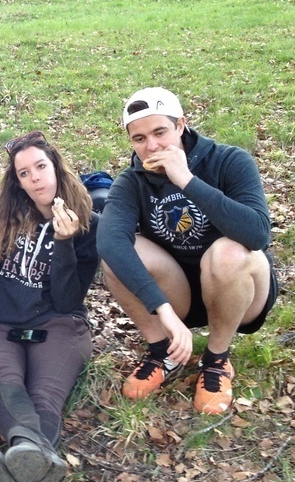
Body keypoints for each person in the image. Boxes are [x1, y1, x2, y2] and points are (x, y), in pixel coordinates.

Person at [96, 87, 277, 414]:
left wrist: (186, 180)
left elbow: (257, 234)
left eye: (160, 132)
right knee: (118, 255)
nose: (152, 146)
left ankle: (217, 359)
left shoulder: (229, 160)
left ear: (181, 125)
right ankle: (162, 351)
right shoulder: (132, 182)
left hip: (238, 293)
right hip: (176, 295)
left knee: (229, 252)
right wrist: (162, 309)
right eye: (139, 138)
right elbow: (109, 242)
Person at [0, 133, 99, 482]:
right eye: (24, 173)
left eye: (41, 167)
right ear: (17, 181)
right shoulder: (5, 210)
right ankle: (34, 460)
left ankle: (21, 466)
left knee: (45, 396)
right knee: (5, 379)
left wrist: (64, 242)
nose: (35, 178)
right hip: (2, 324)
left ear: (56, 168)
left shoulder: (89, 225)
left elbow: (67, 300)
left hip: (59, 325)